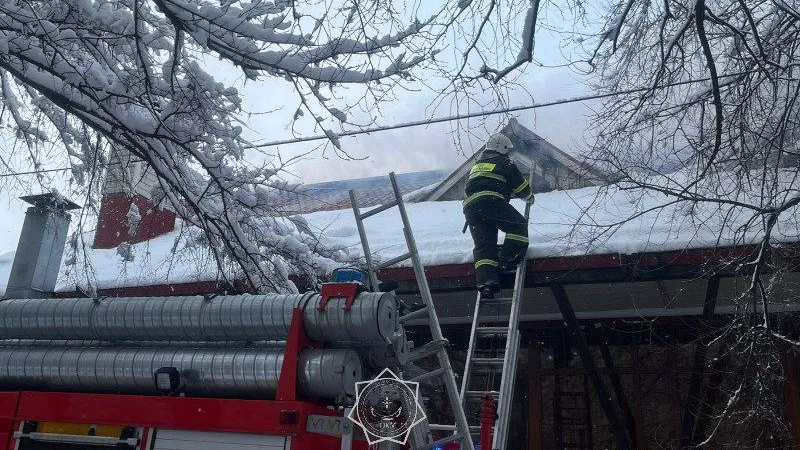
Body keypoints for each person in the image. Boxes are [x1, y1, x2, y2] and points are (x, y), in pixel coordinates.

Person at [463, 133, 533, 299]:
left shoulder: (477, 166)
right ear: (502, 148)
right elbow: (521, 187)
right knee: (518, 226)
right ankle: (508, 260)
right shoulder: (504, 162)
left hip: (471, 209)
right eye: (507, 150)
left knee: (484, 245)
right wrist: (529, 197)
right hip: (491, 201)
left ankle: (486, 283)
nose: (508, 153)